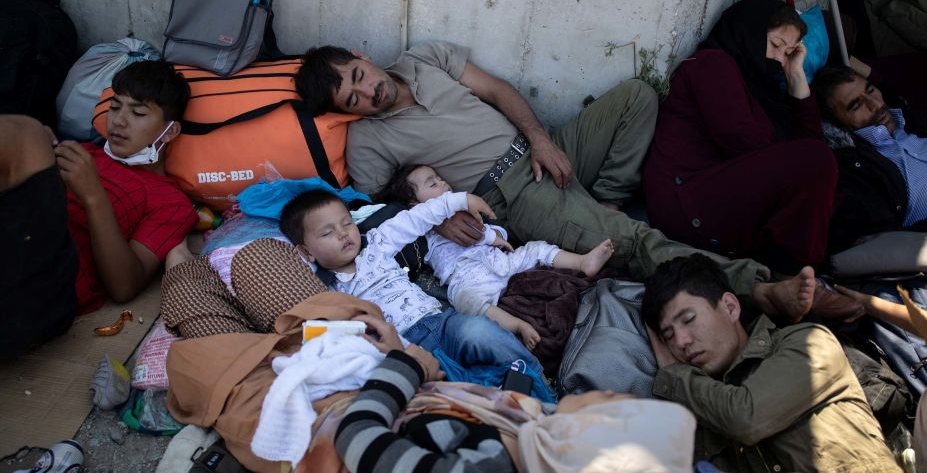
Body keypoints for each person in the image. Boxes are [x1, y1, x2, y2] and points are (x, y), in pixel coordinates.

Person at [296, 41, 852, 324]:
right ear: (350, 113)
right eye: (353, 98)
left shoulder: (424, 57)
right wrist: (446, 217)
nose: (367, 91)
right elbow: (386, 215)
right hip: (506, 193)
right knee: (629, 239)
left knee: (636, 95)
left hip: (542, 151)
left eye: (358, 76)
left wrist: (540, 138)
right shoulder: (369, 144)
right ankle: (759, 288)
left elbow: (497, 91)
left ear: (363, 58)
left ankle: (597, 208)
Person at [325, 313, 696, 473]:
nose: (611, 390)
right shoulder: (545, 436)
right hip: (410, 379)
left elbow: (356, 436)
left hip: (346, 408)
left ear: (590, 436)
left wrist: (402, 365)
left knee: (336, 319)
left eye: (615, 403)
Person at [0, 61, 196, 358]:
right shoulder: (84, 153)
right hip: (14, 245)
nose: (118, 121)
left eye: (138, 112)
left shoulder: (170, 202)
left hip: (44, 294)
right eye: (115, 107)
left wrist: (93, 195)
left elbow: (124, 286)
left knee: (26, 133)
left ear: (169, 132)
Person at [641, 253, 899, 473]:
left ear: (730, 307)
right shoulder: (701, 409)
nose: (682, 341)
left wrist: (675, 375)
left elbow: (746, 417)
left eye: (688, 319)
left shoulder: (807, 341)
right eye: (669, 336)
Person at [643, 0, 838, 274]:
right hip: (684, 200)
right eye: (776, 46)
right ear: (750, 31)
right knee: (816, 163)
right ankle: (794, 275)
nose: (779, 59)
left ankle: (794, 275)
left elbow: (808, 144)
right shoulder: (712, 65)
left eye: (789, 52)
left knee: (822, 171)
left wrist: (796, 76)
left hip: (713, 196)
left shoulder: (761, 90)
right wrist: (793, 159)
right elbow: (746, 144)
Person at [278, 188, 546, 376]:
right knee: (449, 385)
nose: (343, 234)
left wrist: (459, 200)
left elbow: (415, 220)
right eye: (327, 232)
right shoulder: (329, 289)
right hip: (405, 347)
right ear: (306, 252)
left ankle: (536, 378)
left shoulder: (377, 245)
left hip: (441, 322)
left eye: (346, 223)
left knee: (479, 332)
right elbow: (319, 329)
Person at [381, 163, 614, 348]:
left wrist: (495, 235)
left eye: (440, 178)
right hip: (469, 278)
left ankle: (582, 262)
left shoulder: (465, 208)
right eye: (433, 184)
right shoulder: (422, 232)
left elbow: (491, 230)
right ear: (414, 205)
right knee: (465, 302)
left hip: (499, 261)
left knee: (536, 249)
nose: (443, 183)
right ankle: (516, 325)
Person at [813, 65, 927, 251]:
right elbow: (885, 236)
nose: (875, 104)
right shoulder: (859, 170)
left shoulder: (911, 121)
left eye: (870, 90)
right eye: (856, 105)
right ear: (835, 123)